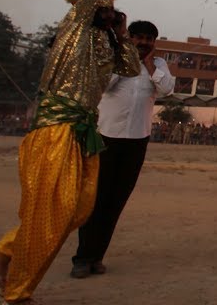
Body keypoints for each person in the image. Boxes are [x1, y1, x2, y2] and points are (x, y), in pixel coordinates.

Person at [0, 0, 142, 304]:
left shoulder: (106, 42)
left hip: (83, 133)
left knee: (77, 211)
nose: (108, 3)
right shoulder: (75, 24)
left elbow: (132, 67)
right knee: (51, 215)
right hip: (55, 132)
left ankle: (5, 250)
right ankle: (18, 292)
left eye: (111, 2)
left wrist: (121, 36)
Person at [71, 19, 176, 277]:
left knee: (116, 202)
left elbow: (168, 90)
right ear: (128, 38)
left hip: (137, 140)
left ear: (154, 43)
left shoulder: (159, 65)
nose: (143, 43)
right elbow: (103, 86)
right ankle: (82, 258)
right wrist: (125, 61)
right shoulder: (114, 59)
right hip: (106, 138)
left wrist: (150, 65)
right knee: (96, 200)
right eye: (138, 38)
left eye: (148, 39)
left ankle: (97, 257)